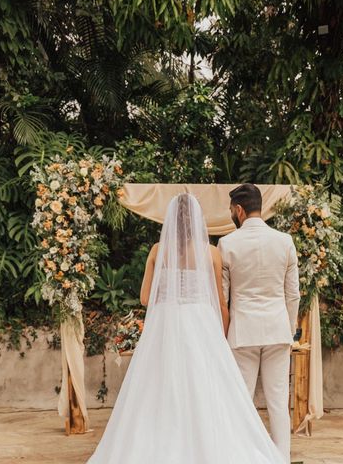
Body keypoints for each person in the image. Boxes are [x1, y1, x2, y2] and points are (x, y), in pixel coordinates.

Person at [86, 193, 285, 464]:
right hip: (200, 322)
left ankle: (163, 441)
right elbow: (220, 302)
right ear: (196, 221)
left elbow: (145, 298)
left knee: (158, 386)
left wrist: (169, 294)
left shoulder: (158, 251)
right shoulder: (210, 252)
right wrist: (222, 337)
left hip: (166, 323)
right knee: (202, 385)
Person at [218, 183, 301, 461]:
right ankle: (282, 459)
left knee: (242, 403)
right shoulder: (285, 241)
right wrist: (288, 329)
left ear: (239, 210)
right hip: (277, 330)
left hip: (243, 333)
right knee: (278, 403)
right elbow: (293, 294)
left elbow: (223, 298)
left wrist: (225, 334)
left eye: (231, 210)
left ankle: (242, 457)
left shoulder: (227, 244)